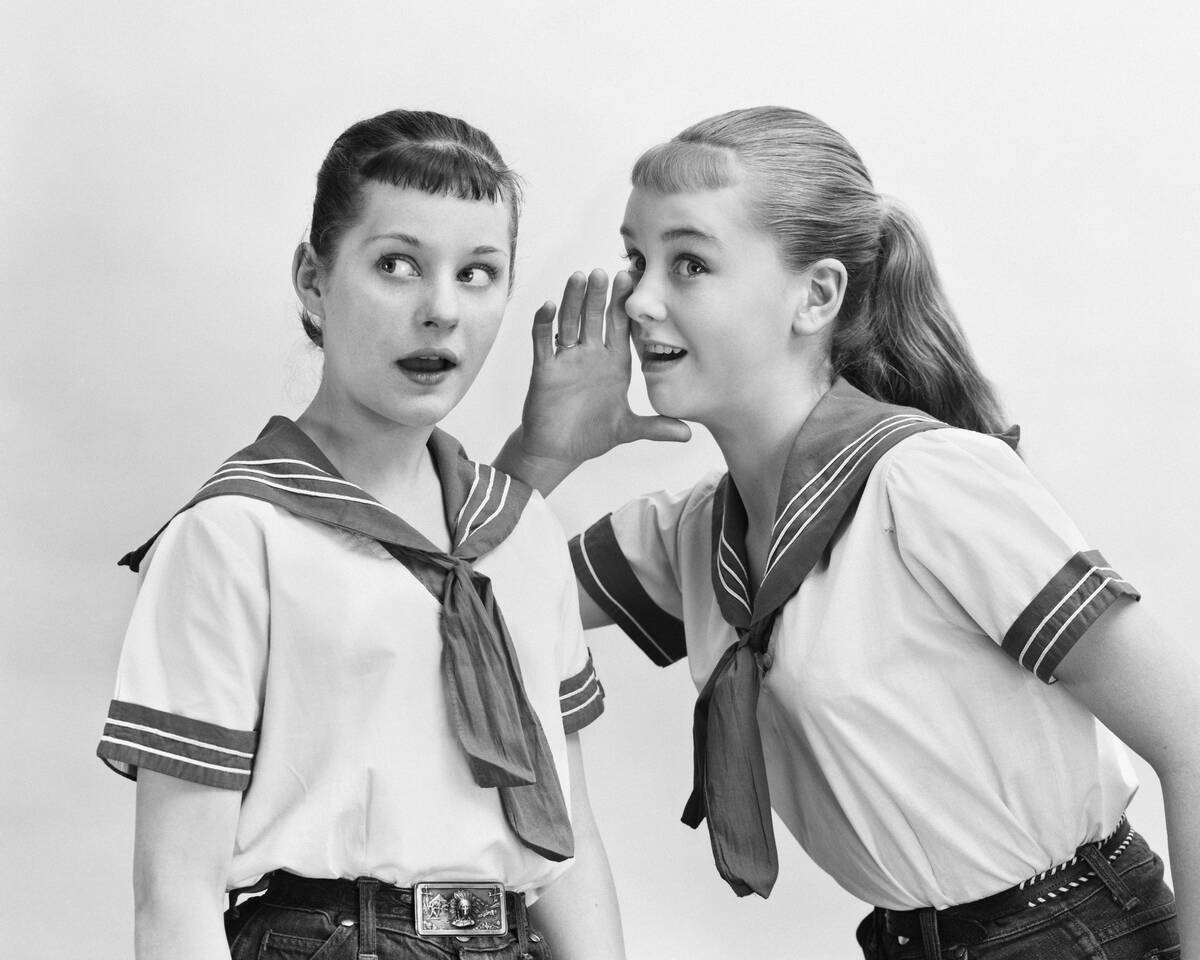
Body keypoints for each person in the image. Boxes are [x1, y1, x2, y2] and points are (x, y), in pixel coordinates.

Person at [495, 106, 1198, 959]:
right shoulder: (693, 535)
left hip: (1081, 934)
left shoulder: (925, 484)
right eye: (636, 261)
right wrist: (542, 450)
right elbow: (463, 606)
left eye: (689, 264)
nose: (639, 300)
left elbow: (1189, 732)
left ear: (817, 295)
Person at [96, 108, 625, 960]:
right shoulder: (237, 533)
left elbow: (575, 848)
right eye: (397, 266)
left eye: (479, 273)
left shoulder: (518, 535)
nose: (441, 311)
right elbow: (174, 893)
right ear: (314, 279)